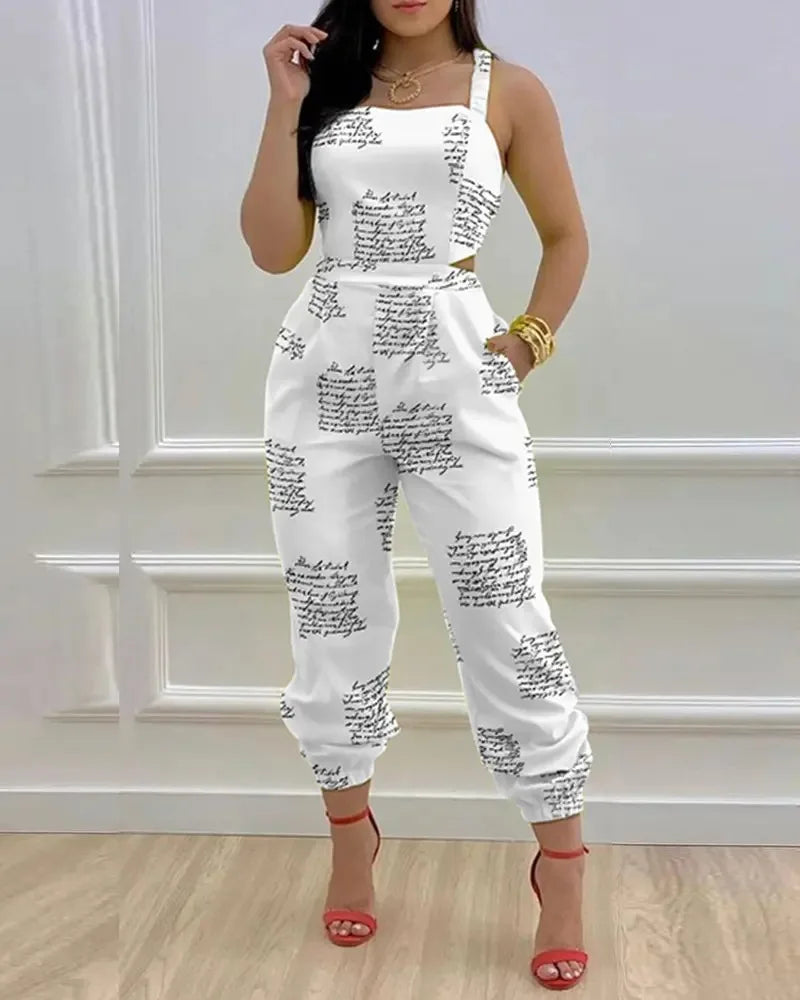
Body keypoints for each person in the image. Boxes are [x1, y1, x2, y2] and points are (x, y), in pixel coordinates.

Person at [241, 0, 592, 990]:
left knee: (504, 615)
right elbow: (272, 249)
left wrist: (527, 341)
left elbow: (566, 236)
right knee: (331, 617)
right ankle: (351, 838)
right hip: (323, 374)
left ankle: (562, 864)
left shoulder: (506, 90)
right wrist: (283, 103)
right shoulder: (326, 91)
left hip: (454, 369)